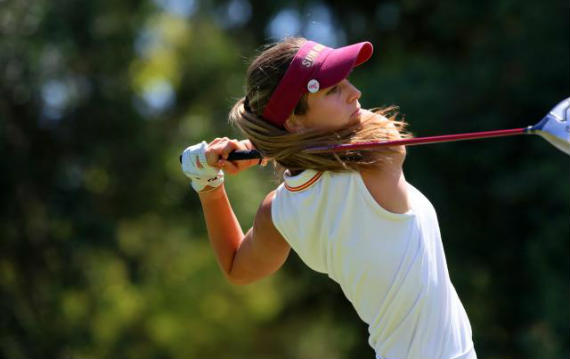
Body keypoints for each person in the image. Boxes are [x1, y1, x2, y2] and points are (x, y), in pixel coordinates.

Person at [180, 37, 477, 359]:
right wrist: (266, 149)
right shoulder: (379, 157)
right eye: (333, 90)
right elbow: (374, 130)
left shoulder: (280, 210)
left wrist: (208, 183)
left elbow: (238, 267)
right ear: (293, 121)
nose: (355, 93)